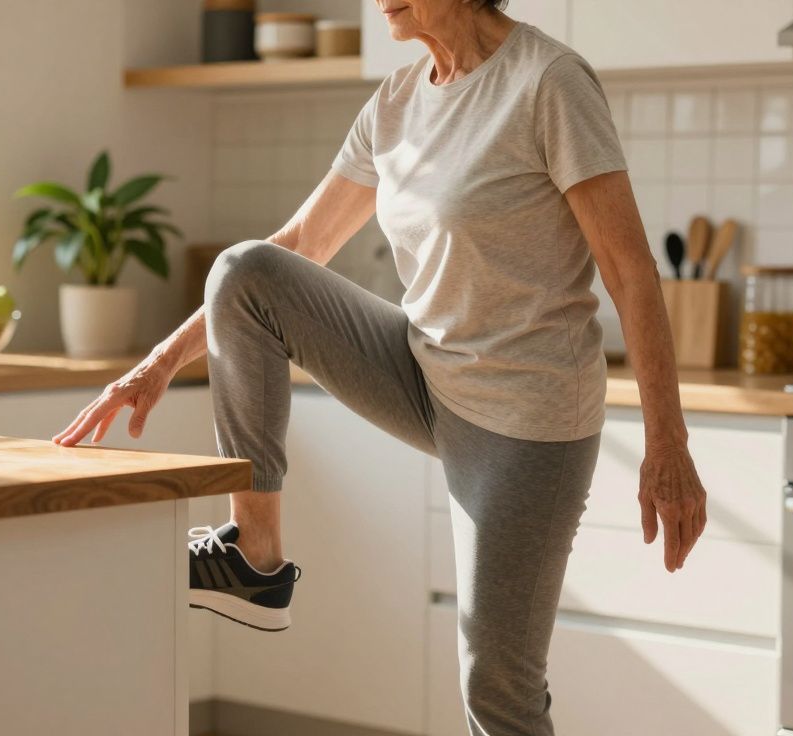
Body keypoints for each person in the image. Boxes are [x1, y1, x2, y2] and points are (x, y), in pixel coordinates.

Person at [54, 1, 709, 732]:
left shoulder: (548, 82)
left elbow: (630, 269)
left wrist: (668, 444)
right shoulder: (397, 101)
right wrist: (158, 362)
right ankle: (255, 555)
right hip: (424, 374)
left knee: (496, 687)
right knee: (248, 271)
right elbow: (299, 242)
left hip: (530, 422)